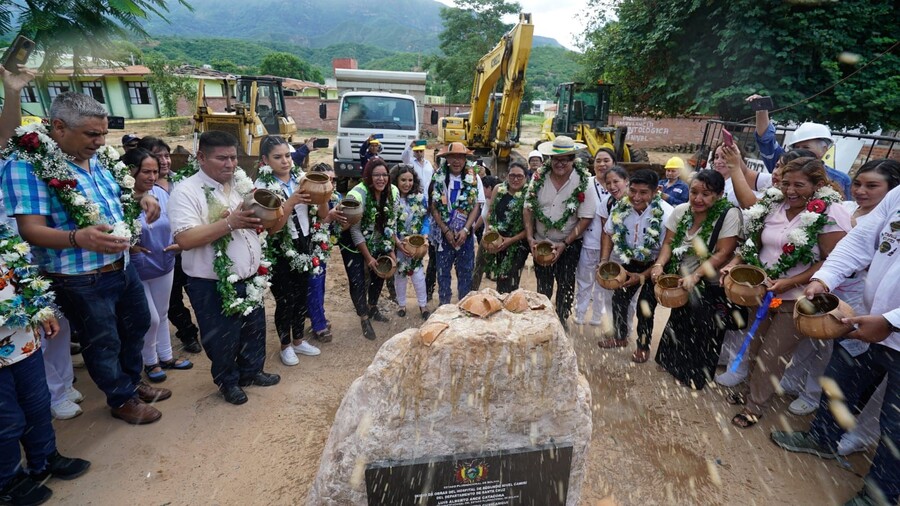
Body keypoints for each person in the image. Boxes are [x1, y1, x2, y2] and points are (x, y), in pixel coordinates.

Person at [1, 91, 169, 425]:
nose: (101, 141)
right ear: (59, 127)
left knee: (136, 325)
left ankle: (132, 382)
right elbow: (30, 229)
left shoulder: (97, 157)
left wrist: (141, 198)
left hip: (121, 265)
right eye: (92, 134)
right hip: (80, 277)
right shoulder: (28, 164)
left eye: (103, 133)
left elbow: (114, 199)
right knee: (103, 341)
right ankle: (120, 398)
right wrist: (77, 237)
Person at [770, 184, 900, 506]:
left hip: (887, 325)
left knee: (896, 425)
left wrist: (892, 320)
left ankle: (879, 495)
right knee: (840, 382)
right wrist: (824, 278)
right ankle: (824, 438)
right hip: (867, 321)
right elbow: (859, 241)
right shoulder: (898, 195)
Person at [718, 157, 850, 428]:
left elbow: (833, 260)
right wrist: (734, 264)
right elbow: (753, 244)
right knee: (755, 346)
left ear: (818, 185)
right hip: (763, 292)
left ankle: (755, 406)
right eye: (785, 183)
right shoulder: (773, 204)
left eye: (799, 185)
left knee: (773, 354)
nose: (790, 190)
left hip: (797, 298)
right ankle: (750, 391)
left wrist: (791, 282)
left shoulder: (829, 213)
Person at [169, 131, 282, 405]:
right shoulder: (186, 192)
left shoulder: (241, 185)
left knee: (254, 329)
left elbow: (260, 225)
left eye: (233, 157)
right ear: (201, 157)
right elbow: (185, 239)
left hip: (250, 278)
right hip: (212, 283)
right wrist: (230, 223)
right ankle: (228, 381)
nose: (230, 164)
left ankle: (251, 371)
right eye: (222, 158)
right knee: (222, 338)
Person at [0, 229, 91, 505]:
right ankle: (8, 481)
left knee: (37, 404)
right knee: (6, 419)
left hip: (23, 339)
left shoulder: (4, 235)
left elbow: (22, 275)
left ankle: (44, 459)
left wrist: (42, 310)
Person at [651, 170, 742, 388]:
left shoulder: (729, 214)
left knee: (704, 329)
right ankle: (671, 362)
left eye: (706, 194)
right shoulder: (681, 210)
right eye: (694, 192)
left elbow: (724, 252)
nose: (698, 199)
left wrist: (696, 275)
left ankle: (694, 375)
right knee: (679, 320)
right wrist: (659, 265)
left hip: (710, 282)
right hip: (682, 280)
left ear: (719, 195)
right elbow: (668, 243)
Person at [255, 135, 327, 366]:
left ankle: (298, 340)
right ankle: (285, 345)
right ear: (265, 160)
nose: (285, 161)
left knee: (302, 295)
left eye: (287, 155)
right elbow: (272, 228)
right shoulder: (263, 187)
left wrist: (323, 192)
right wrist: (291, 202)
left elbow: (323, 215)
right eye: (277, 157)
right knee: (285, 299)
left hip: (305, 242)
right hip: (280, 248)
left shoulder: (301, 178)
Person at [124, 148, 192, 383]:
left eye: (155, 171)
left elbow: (174, 220)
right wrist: (129, 246)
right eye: (146, 172)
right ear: (131, 171)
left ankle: (166, 356)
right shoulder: (121, 198)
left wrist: (178, 242)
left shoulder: (160, 193)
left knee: (162, 313)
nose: (152, 177)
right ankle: (150, 361)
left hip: (164, 262)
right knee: (149, 318)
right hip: (138, 267)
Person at [599, 169, 674, 362]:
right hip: (629, 261)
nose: (636, 197)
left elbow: (667, 249)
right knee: (619, 300)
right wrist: (604, 260)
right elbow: (608, 232)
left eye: (643, 192)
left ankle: (643, 346)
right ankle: (620, 337)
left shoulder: (667, 214)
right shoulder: (620, 208)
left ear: (656, 191)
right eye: (633, 191)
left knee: (645, 307)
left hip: (656, 265)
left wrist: (642, 276)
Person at [524, 136, 596, 329]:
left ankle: (561, 321)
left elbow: (586, 217)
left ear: (573, 159)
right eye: (556, 159)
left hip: (569, 243)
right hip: (541, 242)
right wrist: (530, 238)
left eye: (565, 159)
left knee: (565, 285)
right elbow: (528, 208)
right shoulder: (538, 177)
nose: (560, 163)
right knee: (543, 285)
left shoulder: (584, 181)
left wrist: (564, 244)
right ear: (550, 159)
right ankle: (543, 322)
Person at [138, 137, 201, 354]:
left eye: (167, 156)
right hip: (163, 254)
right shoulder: (142, 190)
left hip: (188, 248)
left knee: (197, 292)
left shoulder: (182, 181)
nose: (164, 161)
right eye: (158, 157)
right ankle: (187, 333)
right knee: (172, 301)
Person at [338, 158, 400, 339]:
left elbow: (391, 222)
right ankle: (364, 318)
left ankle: (373, 307)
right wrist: (368, 257)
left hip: (379, 237)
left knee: (380, 272)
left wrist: (390, 249)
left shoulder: (393, 192)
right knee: (357, 280)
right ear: (368, 176)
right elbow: (355, 230)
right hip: (353, 241)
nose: (381, 179)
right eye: (376, 175)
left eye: (384, 175)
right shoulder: (357, 196)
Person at [748, 95, 852, 197]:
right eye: (797, 147)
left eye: (806, 147)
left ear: (824, 150)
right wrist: (761, 109)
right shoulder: (783, 163)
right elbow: (766, 140)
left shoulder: (841, 179)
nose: (800, 152)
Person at [430, 142, 485, 305]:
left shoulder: (474, 178)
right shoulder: (438, 177)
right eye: (452, 157)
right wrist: (446, 230)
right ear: (446, 159)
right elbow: (434, 207)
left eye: (460, 157)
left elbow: (477, 205)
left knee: (466, 272)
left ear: (465, 159)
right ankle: (444, 307)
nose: (456, 161)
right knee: (443, 273)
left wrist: (466, 230)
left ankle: (464, 307)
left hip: (465, 235)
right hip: (444, 235)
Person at [573, 149, 618, 325]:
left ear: (614, 163)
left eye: (606, 160)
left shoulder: (618, 187)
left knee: (604, 281)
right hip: (589, 241)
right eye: (598, 161)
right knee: (584, 279)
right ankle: (580, 313)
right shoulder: (586, 183)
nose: (602, 164)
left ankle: (598, 316)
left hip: (611, 244)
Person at [306, 163, 341, 343]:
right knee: (314, 285)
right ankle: (318, 324)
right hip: (308, 248)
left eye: (333, 180)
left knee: (320, 285)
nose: (331, 184)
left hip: (323, 247)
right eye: (327, 180)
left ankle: (317, 316)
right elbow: (313, 227)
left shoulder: (334, 196)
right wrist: (330, 217)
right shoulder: (308, 198)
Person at [482, 162, 529, 293]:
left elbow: (531, 227)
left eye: (519, 176)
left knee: (511, 278)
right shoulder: (498, 189)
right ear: (507, 176)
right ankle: (502, 301)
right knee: (501, 279)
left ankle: (512, 301)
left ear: (525, 178)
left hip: (519, 244)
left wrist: (510, 240)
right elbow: (490, 212)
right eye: (512, 175)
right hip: (499, 241)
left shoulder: (528, 194)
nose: (515, 179)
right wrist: (491, 230)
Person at [392, 164, 430, 319]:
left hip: (416, 244)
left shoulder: (419, 199)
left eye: (410, 180)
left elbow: (425, 219)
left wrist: (424, 236)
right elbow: (389, 224)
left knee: (418, 275)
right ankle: (401, 305)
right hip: (398, 244)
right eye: (403, 180)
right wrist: (397, 243)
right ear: (396, 180)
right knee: (400, 275)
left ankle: (423, 305)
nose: (407, 184)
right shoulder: (391, 199)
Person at [471, 175, 500, 291]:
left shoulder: (498, 200)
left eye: (483, 188)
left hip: (497, 239)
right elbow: (482, 217)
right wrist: (473, 228)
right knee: (478, 265)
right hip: (485, 238)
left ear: (489, 188)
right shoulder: (487, 200)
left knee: (498, 266)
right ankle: (473, 291)